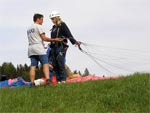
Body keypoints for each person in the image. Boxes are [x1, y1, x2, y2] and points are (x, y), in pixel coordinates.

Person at [27, 13, 63, 85]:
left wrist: (43, 45)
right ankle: (48, 80)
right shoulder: (39, 26)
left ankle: (32, 83)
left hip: (31, 48)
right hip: (38, 48)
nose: (42, 21)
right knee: (45, 64)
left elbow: (35, 38)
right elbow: (44, 38)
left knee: (33, 66)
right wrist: (55, 39)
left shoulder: (29, 29)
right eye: (42, 19)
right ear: (38, 19)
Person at [49, 11, 81, 83]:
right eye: (51, 19)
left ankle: (63, 80)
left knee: (60, 62)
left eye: (53, 18)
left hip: (61, 47)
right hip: (53, 47)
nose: (52, 20)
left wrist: (74, 41)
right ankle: (58, 80)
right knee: (55, 64)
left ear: (57, 18)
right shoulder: (54, 27)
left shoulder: (62, 25)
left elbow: (68, 34)